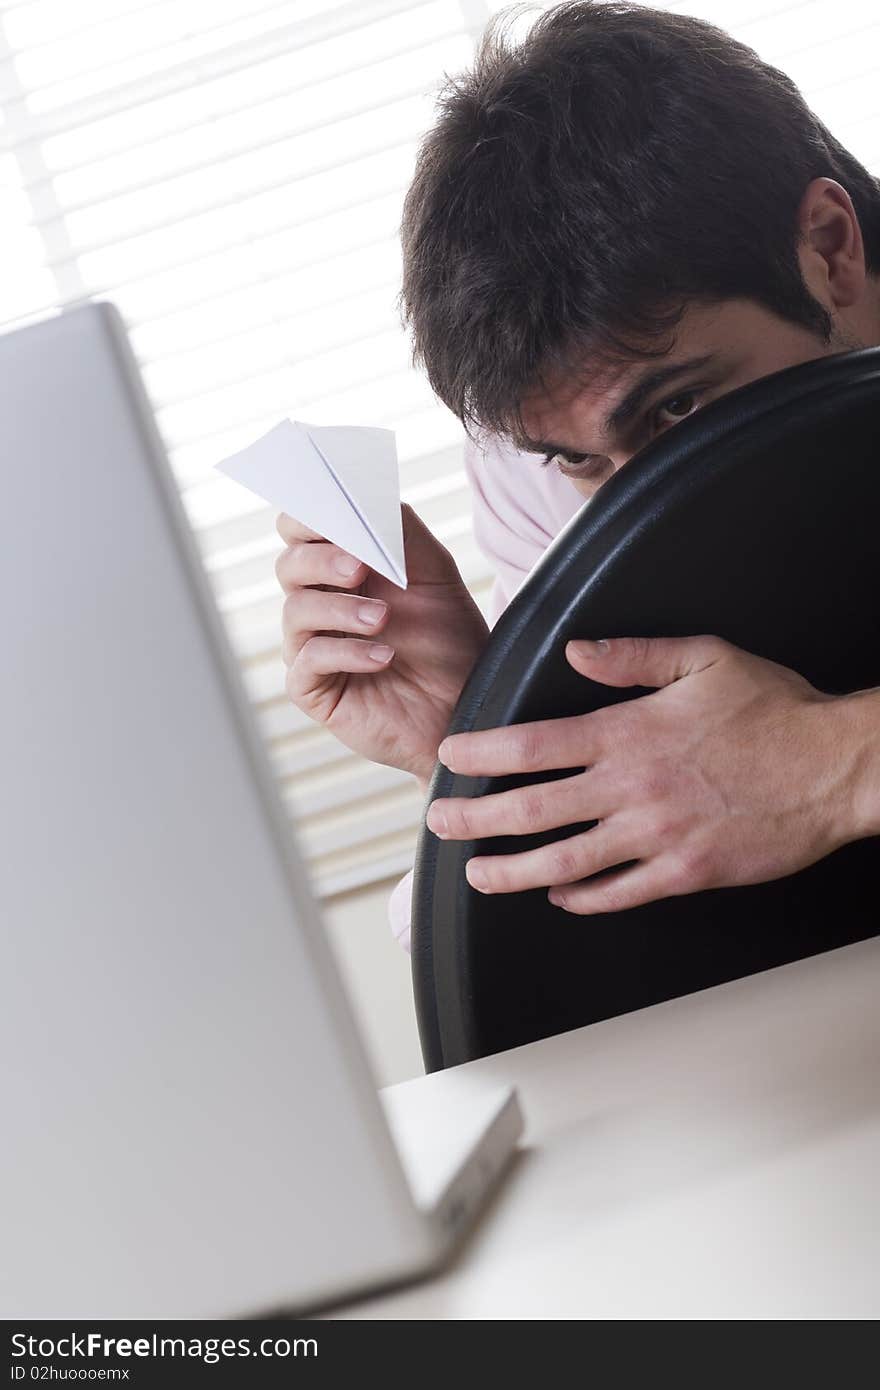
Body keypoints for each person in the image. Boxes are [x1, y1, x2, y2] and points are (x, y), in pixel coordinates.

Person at [274, 1, 880, 953]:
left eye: (678, 408)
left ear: (830, 249)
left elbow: (776, 779)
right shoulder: (543, 450)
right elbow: (687, 825)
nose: (653, 504)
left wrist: (836, 761)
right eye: (583, 461)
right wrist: (485, 732)